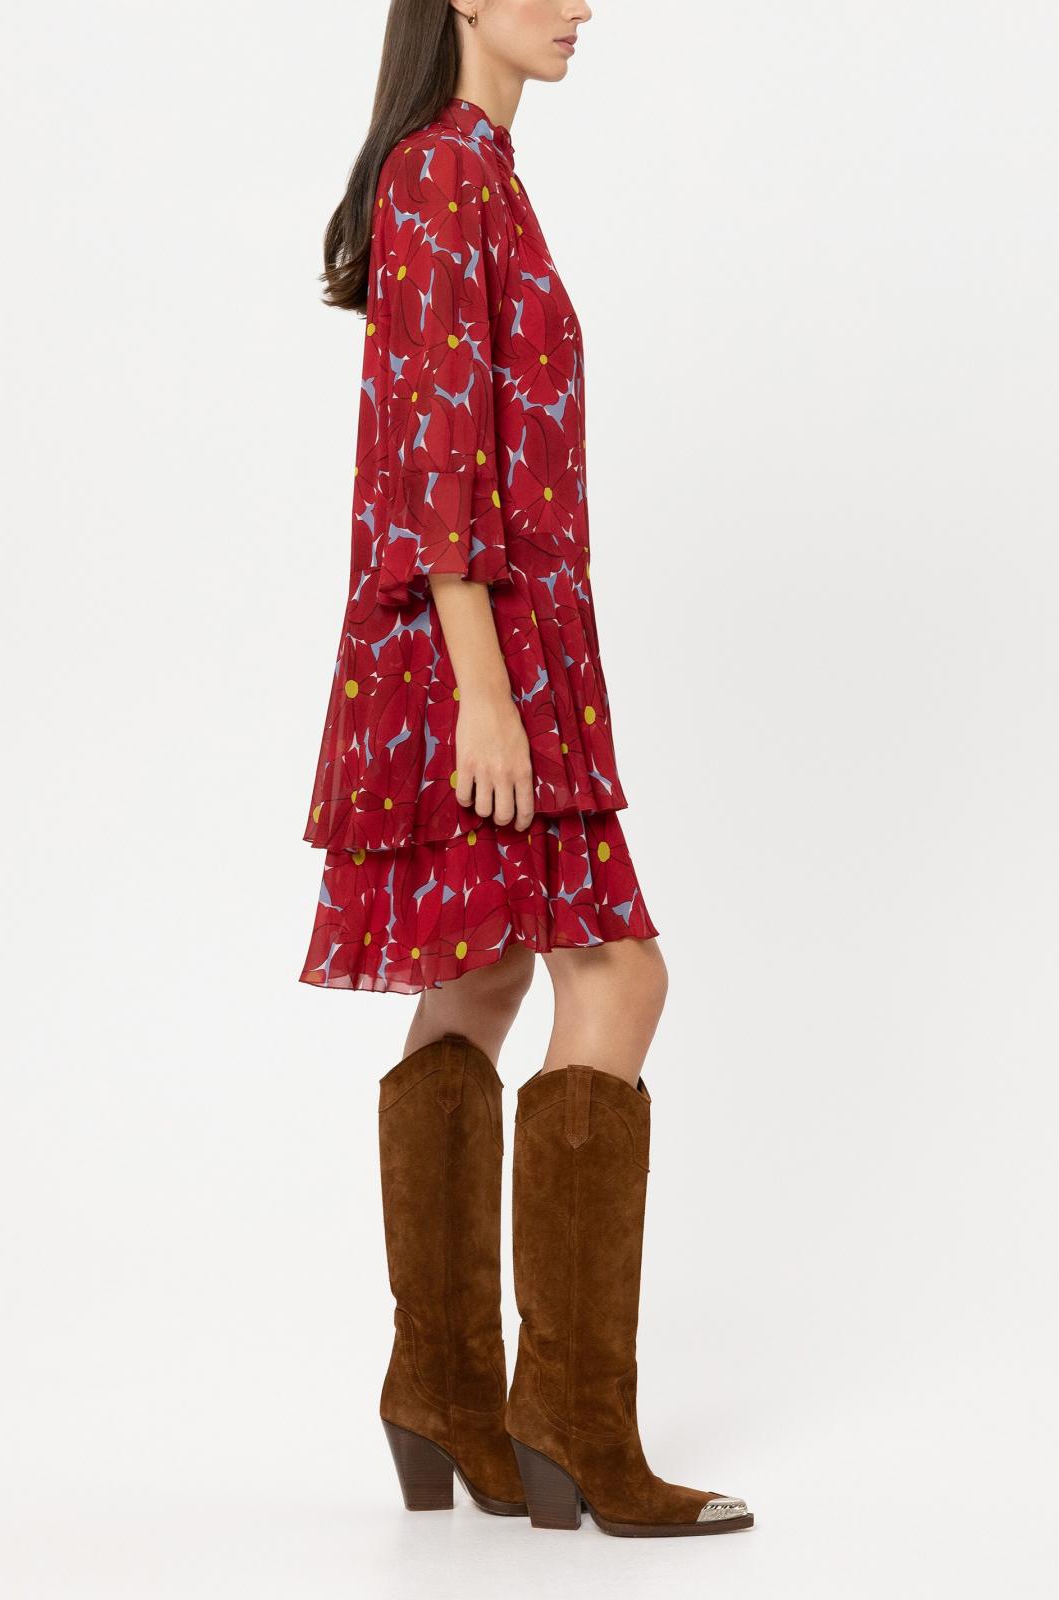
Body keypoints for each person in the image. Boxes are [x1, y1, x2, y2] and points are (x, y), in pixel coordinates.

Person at [298, 0, 752, 1538]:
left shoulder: (475, 172)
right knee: (619, 979)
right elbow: (441, 447)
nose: (577, 4)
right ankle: (568, 1420)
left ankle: (442, 1388)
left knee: (482, 981)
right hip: (477, 650)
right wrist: (485, 695)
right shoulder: (441, 171)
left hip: (504, 640)